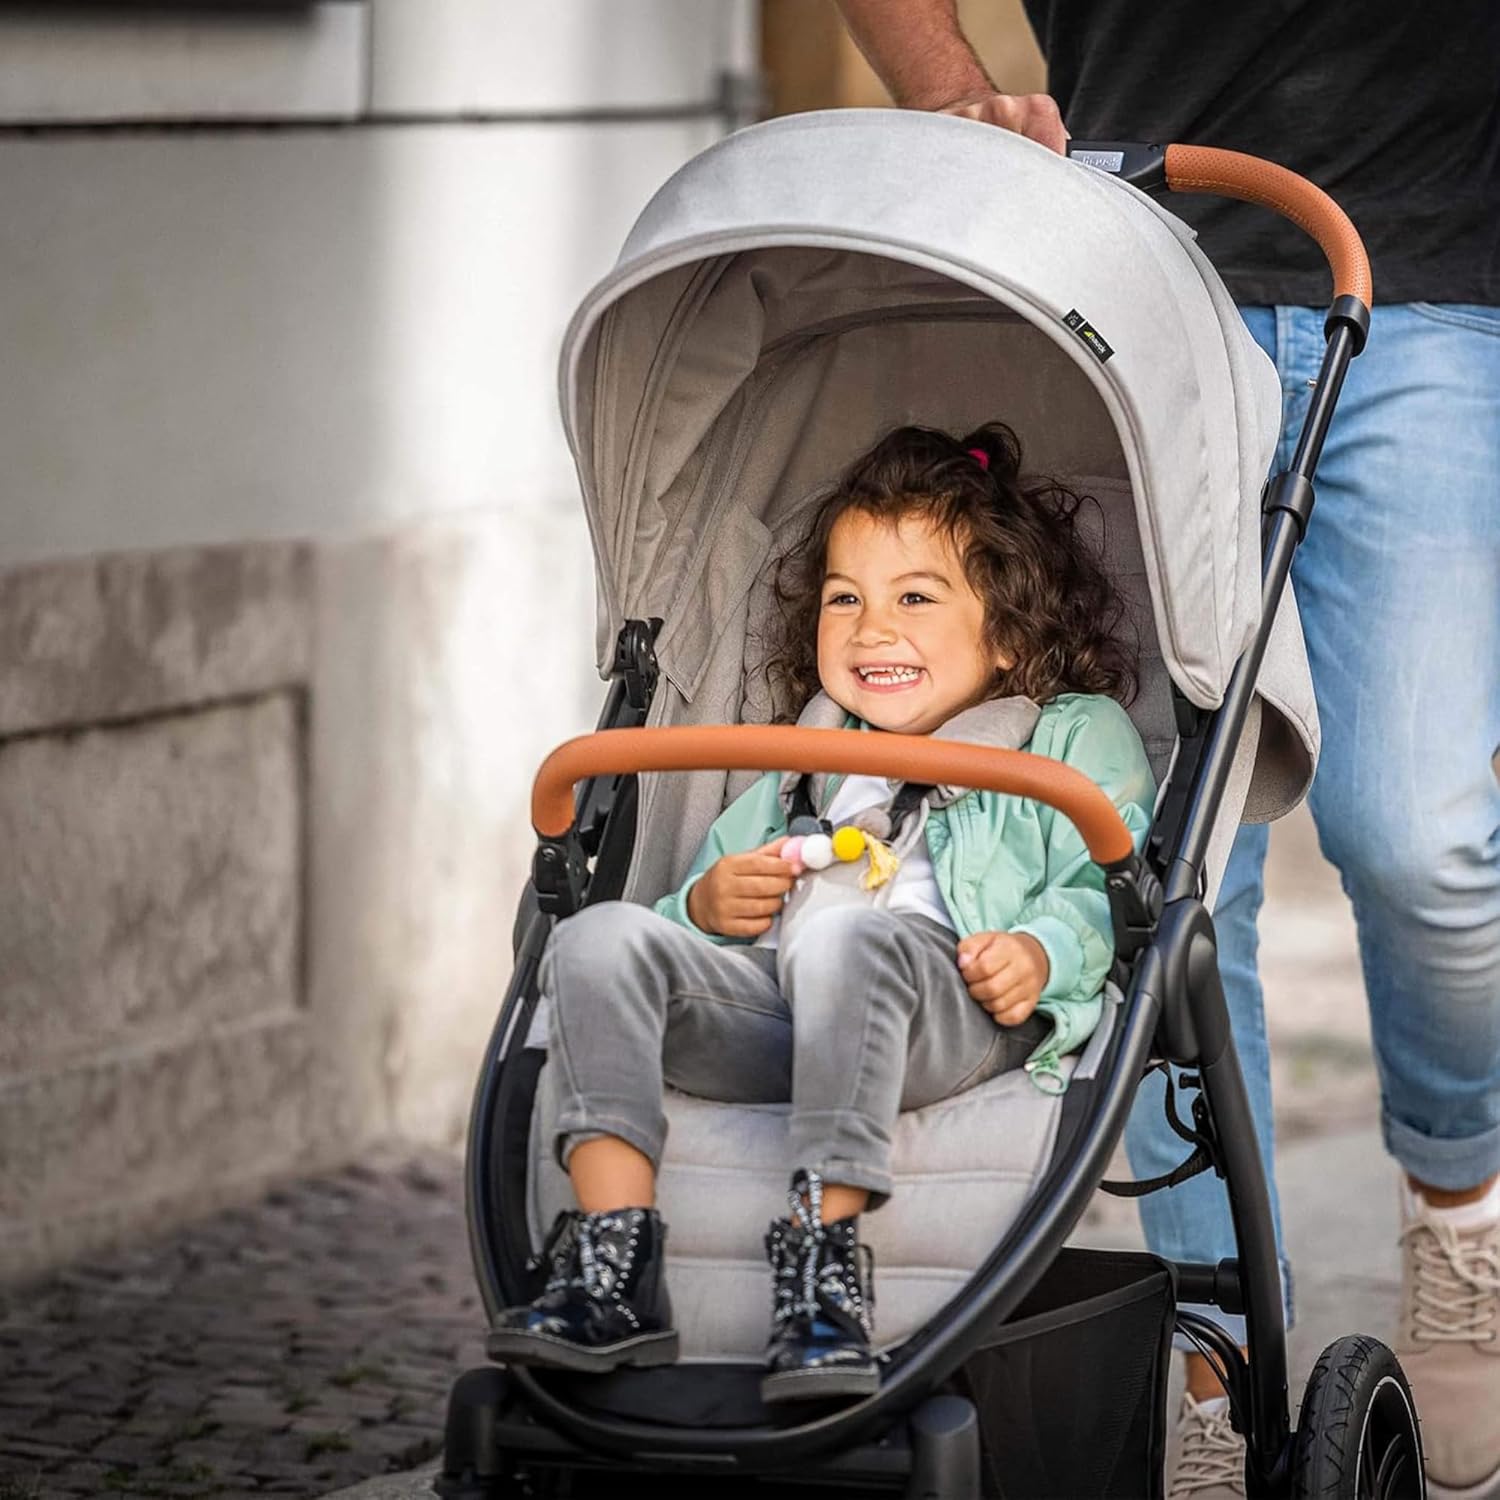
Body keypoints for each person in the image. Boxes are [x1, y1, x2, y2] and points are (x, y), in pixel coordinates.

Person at [829, 3, 1500, 1495]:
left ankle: (1460, 1206)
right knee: (1170, 870)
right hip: (1130, 268)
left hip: (1441, 273)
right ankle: (1216, 1333)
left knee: (1422, 831)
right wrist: (951, 92)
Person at [486, 422, 1154, 1402]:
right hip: (780, 1008)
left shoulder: (1067, 737)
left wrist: (1042, 954)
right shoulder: (811, 748)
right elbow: (708, 898)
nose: (871, 628)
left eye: (915, 599)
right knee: (600, 938)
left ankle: (821, 1269)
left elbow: (1108, 884)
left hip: (953, 1006)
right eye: (846, 600)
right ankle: (609, 1263)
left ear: (1007, 633)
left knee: (846, 935)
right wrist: (709, 904)